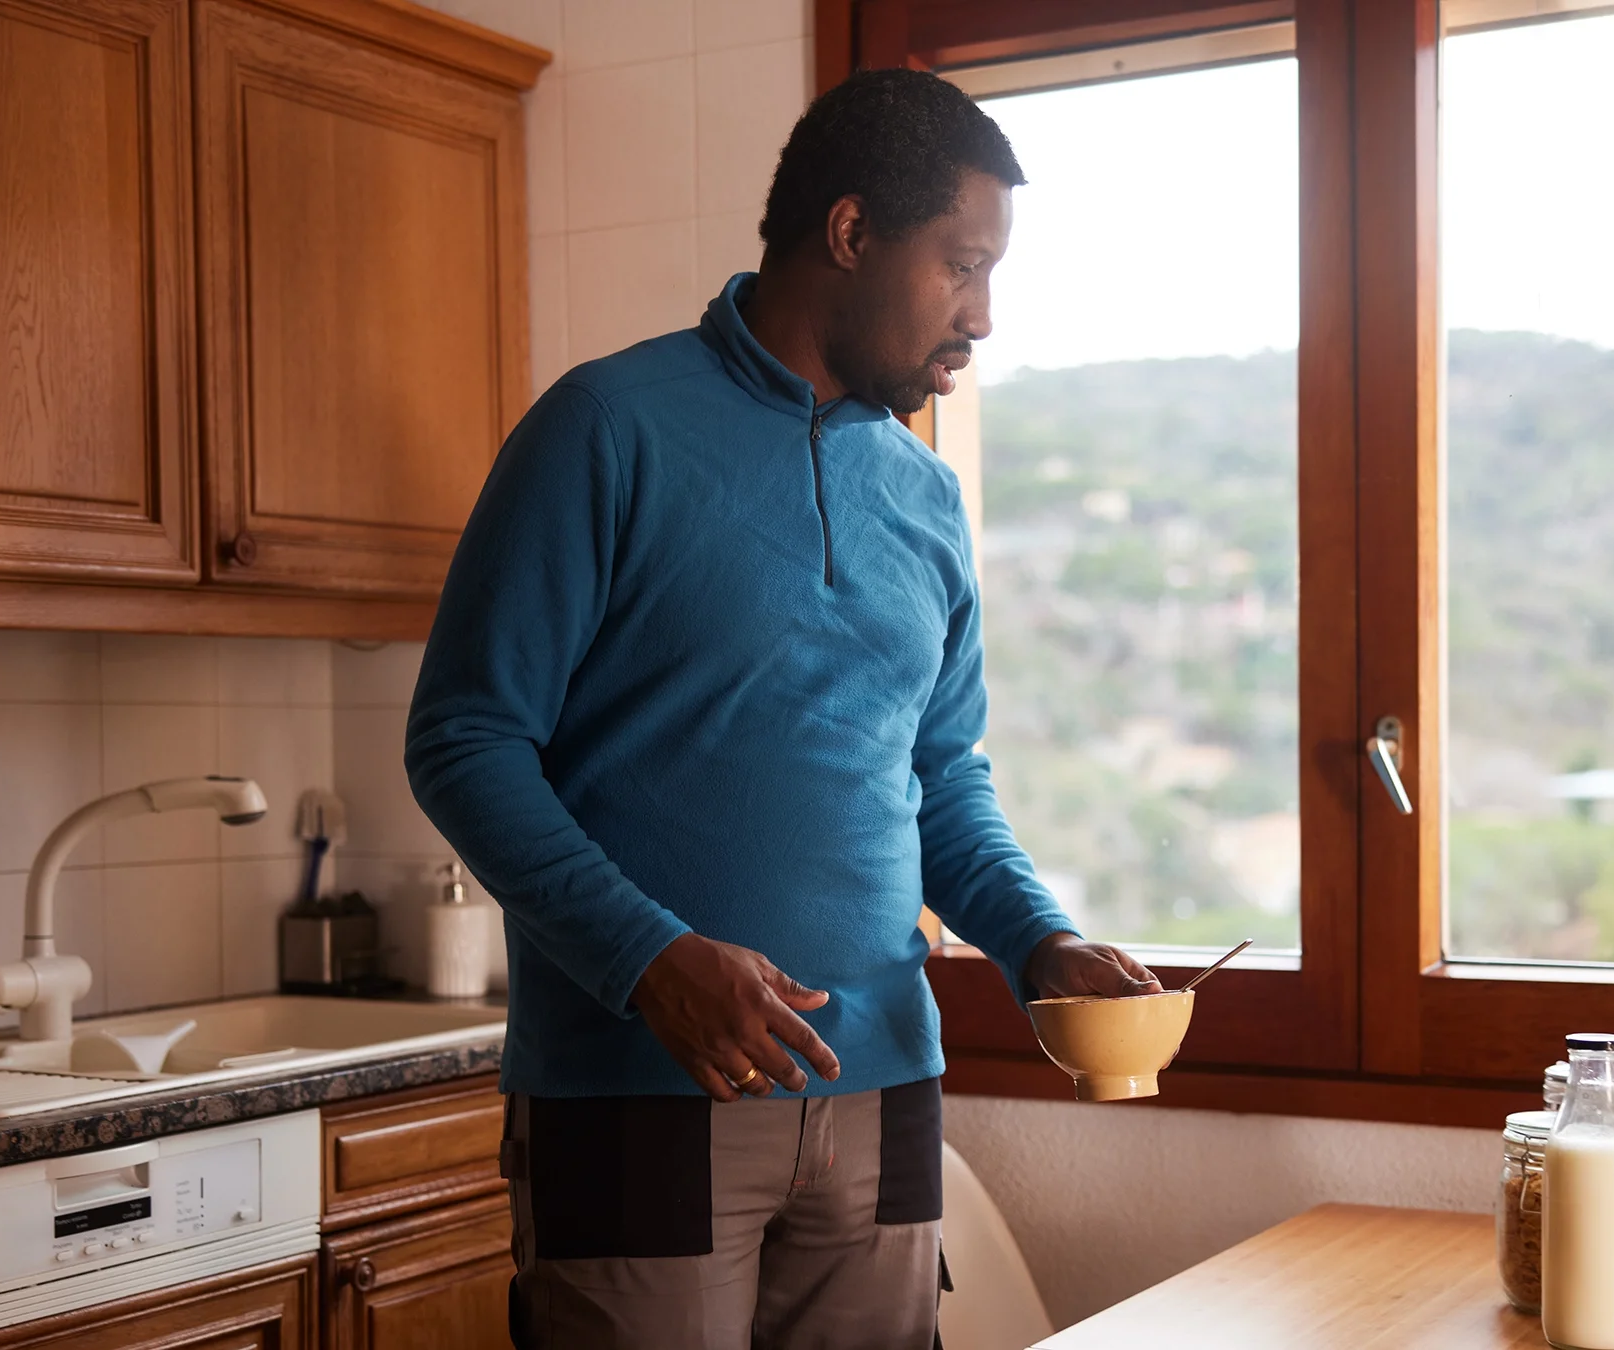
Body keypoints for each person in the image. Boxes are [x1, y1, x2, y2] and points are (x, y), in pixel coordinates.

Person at [405, 67, 1162, 1350]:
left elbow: (938, 777)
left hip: (886, 1090)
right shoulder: (605, 430)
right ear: (853, 233)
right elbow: (465, 740)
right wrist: (649, 959)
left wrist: (1038, 943)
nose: (983, 315)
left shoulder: (923, 497)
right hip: (638, 1092)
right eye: (961, 266)